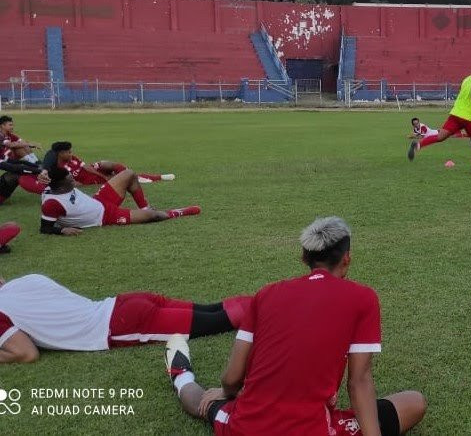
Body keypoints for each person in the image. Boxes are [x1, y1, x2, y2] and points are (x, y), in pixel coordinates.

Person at [163, 217, 426, 435]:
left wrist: (226, 392)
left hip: (245, 427)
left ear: (304, 257)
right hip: (311, 429)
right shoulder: (363, 298)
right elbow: (358, 382)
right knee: (414, 402)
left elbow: (231, 378)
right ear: (347, 259)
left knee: (201, 401)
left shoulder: (266, 294)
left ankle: (180, 373)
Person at [0, 273, 251, 364]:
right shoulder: (27, 280)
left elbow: (26, 353)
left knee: (220, 321)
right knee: (212, 310)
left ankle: (276, 304)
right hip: (124, 302)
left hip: (120, 324)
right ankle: (269, 297)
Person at [40, 167, 199, 236]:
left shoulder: (54, 185)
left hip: (99, 200)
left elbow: (48, 168)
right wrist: (61, 230)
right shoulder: (51, 203)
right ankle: (180, 212)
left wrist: (43, 170)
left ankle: (145, 207)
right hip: (104, 216)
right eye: (69, 179)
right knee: (154, 216)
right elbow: (44, 228)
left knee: (128, 174)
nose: (73, 179)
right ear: (60, 185)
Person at [408, 61, 471, 172]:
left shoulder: (467, 79)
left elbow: (462, 93)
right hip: (468, 118)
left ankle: (418, 145)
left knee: (440, 137)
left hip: (455, 114)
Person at [42, 141, 174, 186]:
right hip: (90, 180)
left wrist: (101, 174)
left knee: (107, 163)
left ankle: (136, 176)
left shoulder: (73, 158)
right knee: (123, 179)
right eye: (68, 152)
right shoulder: (58, 169)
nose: (71, 154)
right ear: (60, 153)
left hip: (94, 171)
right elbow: (72, 183)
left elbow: (86, 166)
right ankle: (158, 177)